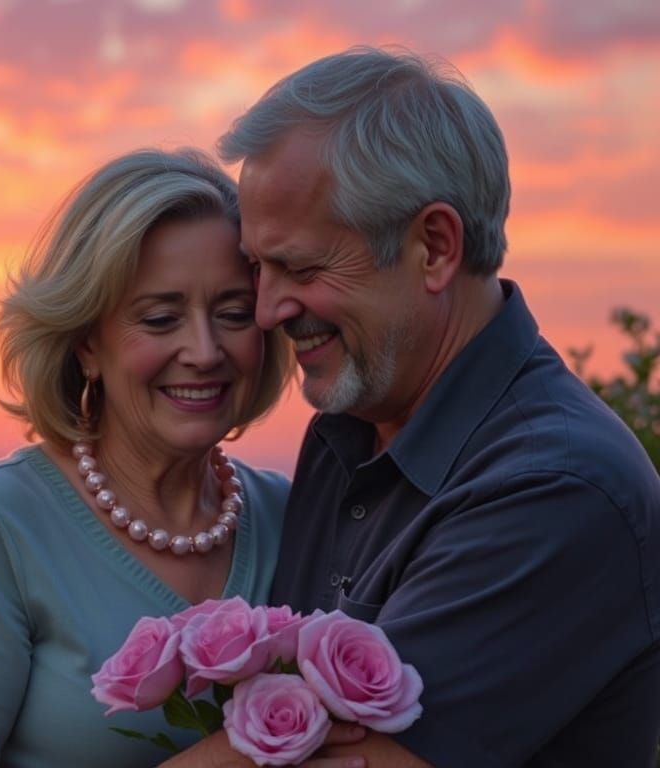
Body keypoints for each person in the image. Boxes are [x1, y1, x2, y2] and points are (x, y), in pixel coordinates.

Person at [167, 46, 660, 767]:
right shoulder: (349, 431)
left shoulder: (554, 487)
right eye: (258, 268)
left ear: (434, 247)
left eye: (300, 267)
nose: (268, 310)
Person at [0, 149, 302, 767]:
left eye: (233, 314)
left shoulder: (294, 514)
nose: (205, 351)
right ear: (86, 345)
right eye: (161, 319)